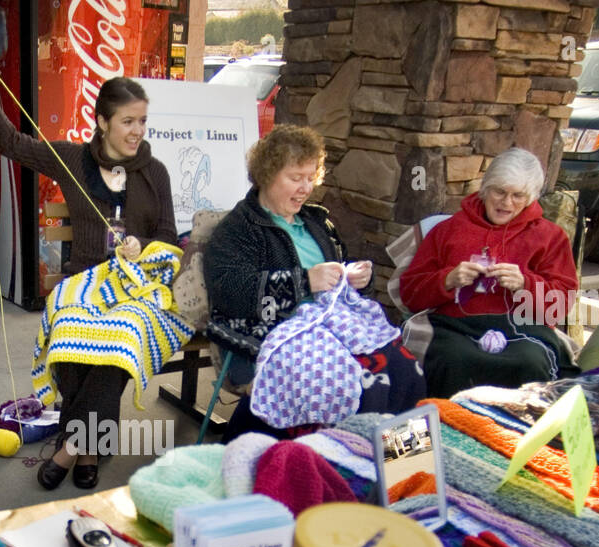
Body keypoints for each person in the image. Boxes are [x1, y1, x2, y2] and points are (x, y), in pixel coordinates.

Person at [0, 51, 178, 490]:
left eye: (142, 121)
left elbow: (170, 237)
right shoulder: (72, 160)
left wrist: (145, 246)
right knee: (72, 337)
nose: (137, 131)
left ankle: (69, 450)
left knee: (116, 344)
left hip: (135, 291)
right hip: (83, 283)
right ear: (102, 122)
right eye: (128, 122)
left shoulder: (155, 173)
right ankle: (92, 450)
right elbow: (9, 143)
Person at [204, 124, 423, 442]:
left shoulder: (317, 221)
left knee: (405, 367)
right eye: (295, 178)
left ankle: (404, 464)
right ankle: (348, 469)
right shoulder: (240, 229)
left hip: (334, 328)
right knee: (364, 381)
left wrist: (356, 278)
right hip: (275, 335)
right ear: (267, 174)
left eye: (311, 177)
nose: (305, 188)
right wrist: (304, 282)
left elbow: (338, 280)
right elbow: (230, 292)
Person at [399, 147, 579, 399]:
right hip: (455, 326)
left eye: (518, 195)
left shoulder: (550, 237)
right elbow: (410, 294)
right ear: (485, 189)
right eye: (499, 192)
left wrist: (525, 284)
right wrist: (448, 279)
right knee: (452, 360)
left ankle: (514, 437)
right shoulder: (448, 230)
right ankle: (444, 430)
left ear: (531, 198)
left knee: (530, 363)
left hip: (523, 329)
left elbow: (560, 306)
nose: (506, 203)